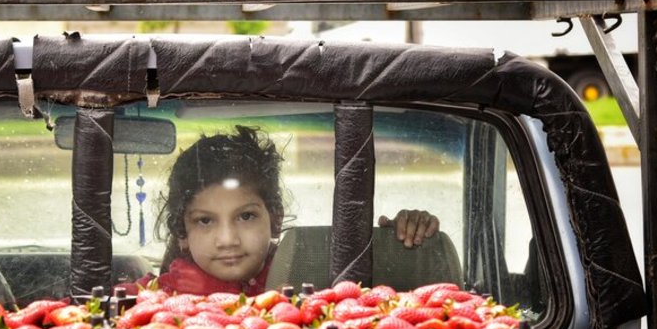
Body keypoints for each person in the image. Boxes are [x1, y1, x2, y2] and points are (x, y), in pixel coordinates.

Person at [142, 125, 439, 296]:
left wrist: (404, 244)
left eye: (246, 216)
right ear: (182, 232)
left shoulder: (318, 278)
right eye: (205, 221)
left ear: (275, 219)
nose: (227, 239)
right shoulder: (156, 297)